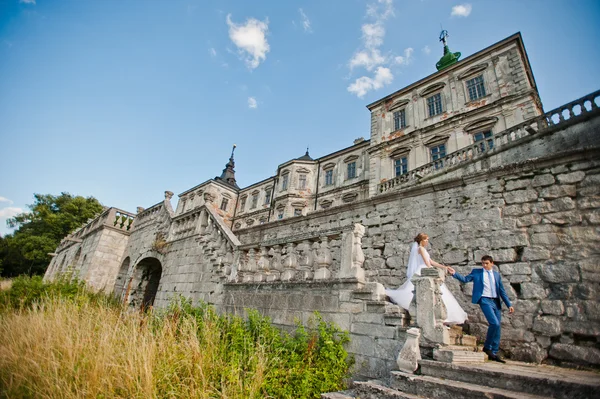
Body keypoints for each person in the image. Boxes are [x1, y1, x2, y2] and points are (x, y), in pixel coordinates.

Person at [385, 233, 467, 324]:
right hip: (423, 269)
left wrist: (444, 267)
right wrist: (431, 270)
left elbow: (431, 261)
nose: (427, 241)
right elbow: (426, 261)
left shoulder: (423, 249)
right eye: (426, 240)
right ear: (421, 241)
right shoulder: (420, 249)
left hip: (425, 267)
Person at [447, 255, 514, 363]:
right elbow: (465, 279)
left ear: (492, 263)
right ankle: (487, 347)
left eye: (486, 263)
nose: (484, 265)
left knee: (498, 327)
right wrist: (454, 273)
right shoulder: (477, 272)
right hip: (484, 300)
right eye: (483, 263)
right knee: (494, 323)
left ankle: (494, 352)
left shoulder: (496, 275)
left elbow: (502, 291)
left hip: (495, 301)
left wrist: (509, 304)